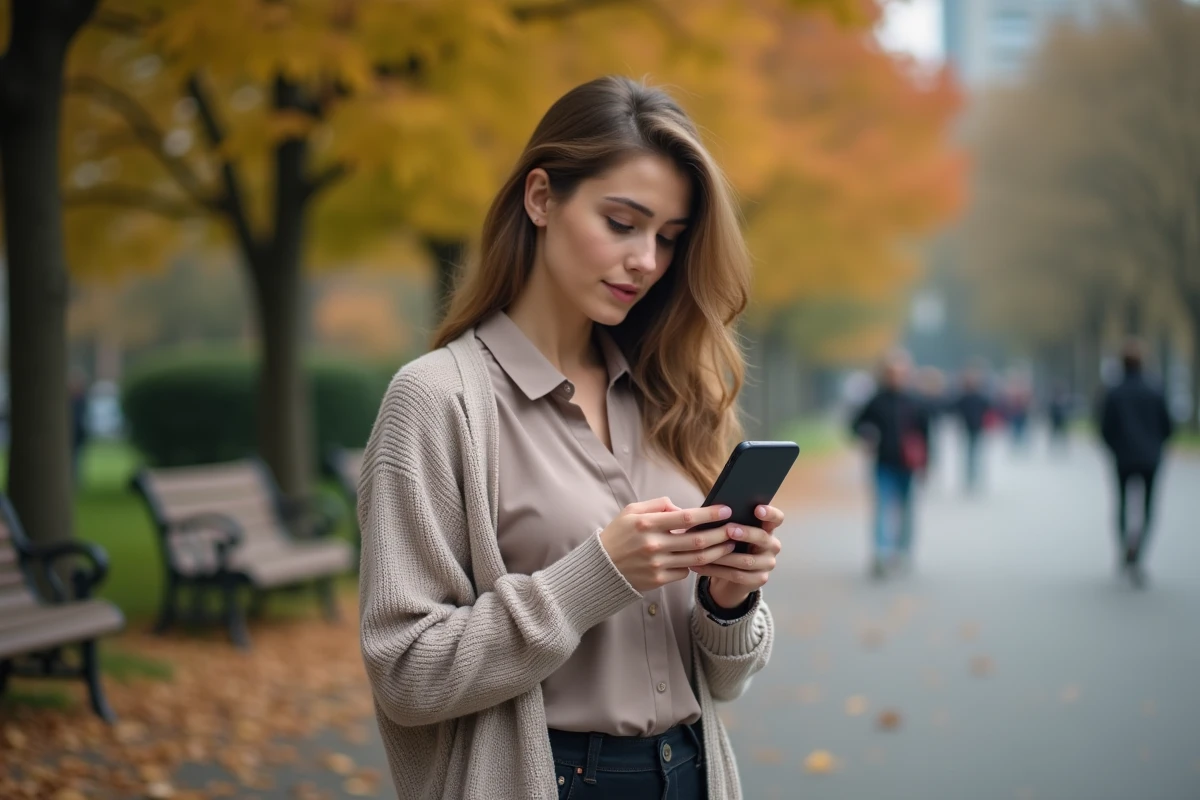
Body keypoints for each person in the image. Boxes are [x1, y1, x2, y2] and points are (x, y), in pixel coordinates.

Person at [357, 77, 782, 800]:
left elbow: (722, 680)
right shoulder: (435, 402)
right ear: (542, 198)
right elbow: (405, 673)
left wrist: (729, 600)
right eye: (622, 223)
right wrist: (594, 577)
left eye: (669, 240)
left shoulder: (668, 397)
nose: (647, 260)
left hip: (692, 774)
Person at [1097, 340, 1174, 588]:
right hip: (1151, 457)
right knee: (1148, 507)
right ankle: (1138, 552)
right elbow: (1168, 426)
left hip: (1123, 456)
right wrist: (1156, 445)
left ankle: (1124, 549)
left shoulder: (1113, 391)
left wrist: (1115, 448)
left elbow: (1105, 427)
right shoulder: (1156, 390)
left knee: (1121, 504)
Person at [851, 350, 929, 578]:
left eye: (901, 372)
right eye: (892, 372)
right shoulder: (876, 401)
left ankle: (903, 551)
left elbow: (926, 435)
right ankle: (881, 554)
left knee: (907, 509)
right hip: (883, 463)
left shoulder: (916, 402)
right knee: (883, 508)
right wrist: (866, 434)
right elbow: (855, 425)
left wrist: (927, 465)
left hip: (909, 465)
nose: (897, 377)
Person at [952, 364, 991, 494]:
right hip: (967, 428)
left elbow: (987, 409)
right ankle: (970, 477)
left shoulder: (978, 397)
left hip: (977, 428)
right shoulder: (964, 397)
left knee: (975, 454)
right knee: (970, 454)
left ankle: (975, 477)